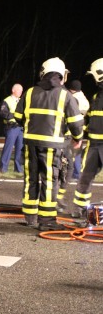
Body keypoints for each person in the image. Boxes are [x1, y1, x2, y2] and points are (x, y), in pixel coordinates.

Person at [14, 57, 83, 231]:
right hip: (53, 145)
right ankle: (47, 220)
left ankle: (30, 217)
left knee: (30, 179)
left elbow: (18, 117)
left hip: (30, 143)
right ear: (61, 75)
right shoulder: (64, 95)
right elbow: (76, 122)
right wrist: (78, 137)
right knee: (49, 181)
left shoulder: (29, 92)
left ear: (43, 72)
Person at [72, 58, 103, 218]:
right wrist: (79, 133)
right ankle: (79, 210)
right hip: (93, 145)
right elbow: (90, 119)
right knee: (85, 178)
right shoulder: (97, 96)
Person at [56, 79, 90, 210]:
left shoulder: (61, 95)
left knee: (63, 167)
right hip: (65, 138)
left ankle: (57, 196)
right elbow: (75, 121)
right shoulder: (72, 98)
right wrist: (78, 137)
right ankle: (57, 197)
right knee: (66, 168)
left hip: (62, 137)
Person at [0, 83, 24, 173]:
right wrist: (15, 115)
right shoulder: (7, 100)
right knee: (8, 148)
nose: (21, 92)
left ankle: (18, 169)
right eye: (19, 90)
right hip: (11, 127)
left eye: (21, 90)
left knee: (20, 149)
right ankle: (3, 168)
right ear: (13, 90)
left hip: (20, 128)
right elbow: (3, 113)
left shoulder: (21, 101)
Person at [68, 80, 90, 179]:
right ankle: (77, 172)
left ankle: (74, 172)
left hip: (72, 126)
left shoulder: (73, 98)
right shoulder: (84, 98)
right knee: (77, 150)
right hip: (81, 126)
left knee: (71, 150)